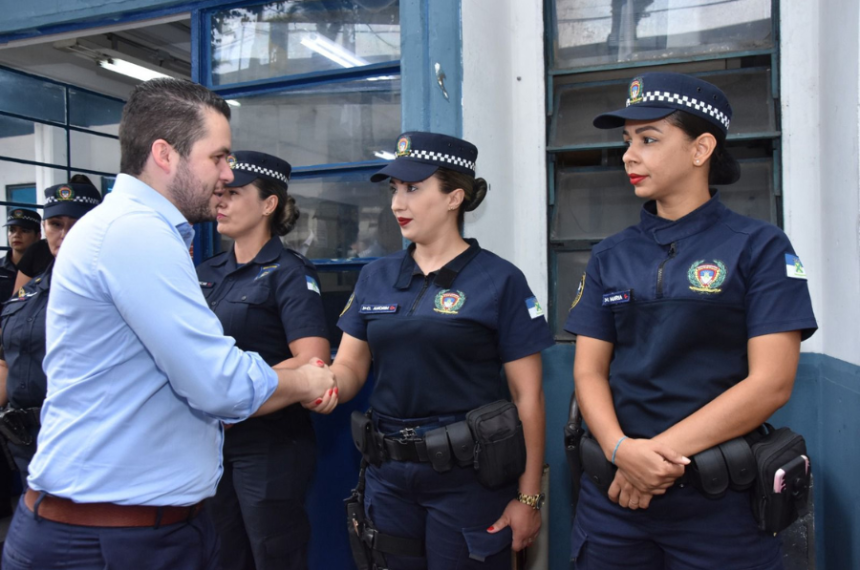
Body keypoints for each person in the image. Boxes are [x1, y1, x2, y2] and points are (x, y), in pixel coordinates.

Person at [1, 78, 336, 570]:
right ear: (165, 154)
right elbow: (217, 383)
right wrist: (307, 378)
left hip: (135, 524)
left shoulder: (142, 231)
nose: (225, 175)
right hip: (111, 537)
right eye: (217, 158)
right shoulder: (135, 233)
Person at [565, 72, 818, 569]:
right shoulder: (609, 256)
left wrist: (648, 458)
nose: (629, 155)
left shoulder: (759, 247)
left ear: (702, 148)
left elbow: (771, 383)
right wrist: (620, 450)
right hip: (613, 504)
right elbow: (588, 372)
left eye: (648, 139)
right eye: (626, 141)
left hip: (719, 508)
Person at [326, 132, 555, 569]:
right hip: (388, 477)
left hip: (468, 480)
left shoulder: (500, 280)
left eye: (413, 189)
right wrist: (316, 384)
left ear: (454, 197)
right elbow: (350, 368)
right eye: (395, 190)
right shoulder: (375, 276)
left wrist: (528, 497)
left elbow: (529, 398)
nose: (398, 204)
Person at [197, 150, 330, 570]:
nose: (220, 202)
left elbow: (312, 360)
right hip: (209, 442)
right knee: (220, 555)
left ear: (269, 204)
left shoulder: (289, 272)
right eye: (219, 193)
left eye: (233, 193)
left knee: (274, 555)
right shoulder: (206, 271)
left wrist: (239, 393)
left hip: (270, 445)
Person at [0, 183, 101, 484]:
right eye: (56, 224)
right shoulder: (29, 292)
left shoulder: (109, 288)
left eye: (77, 224)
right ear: (44, 229)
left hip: (84, 438)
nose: (65, 234)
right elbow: (7, 362)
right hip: (27, 440)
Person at [0, 208, 41, 301]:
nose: (16, 235)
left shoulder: (45, 269)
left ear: (38, 236)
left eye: (24, 230)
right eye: (12, 230)